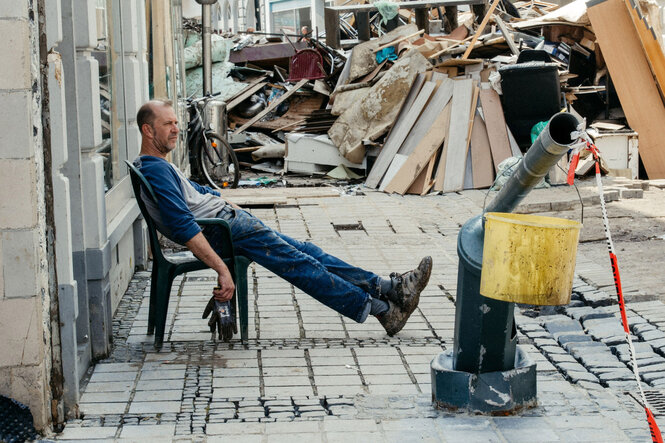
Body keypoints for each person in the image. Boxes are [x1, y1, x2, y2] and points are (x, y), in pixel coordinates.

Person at [133, 99, 432, 338]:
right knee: (301, 265)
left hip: (229, 223)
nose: (175, 129)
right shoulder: (156, 171)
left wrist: (230, 203)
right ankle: (382, 308)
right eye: (167, 124)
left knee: (307, 253)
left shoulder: (159, 165)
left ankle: (389, 288)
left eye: (175, 123)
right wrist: (222, 269)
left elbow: (195, 191)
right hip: (225, 230)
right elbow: (184, 227)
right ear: (148, 131)